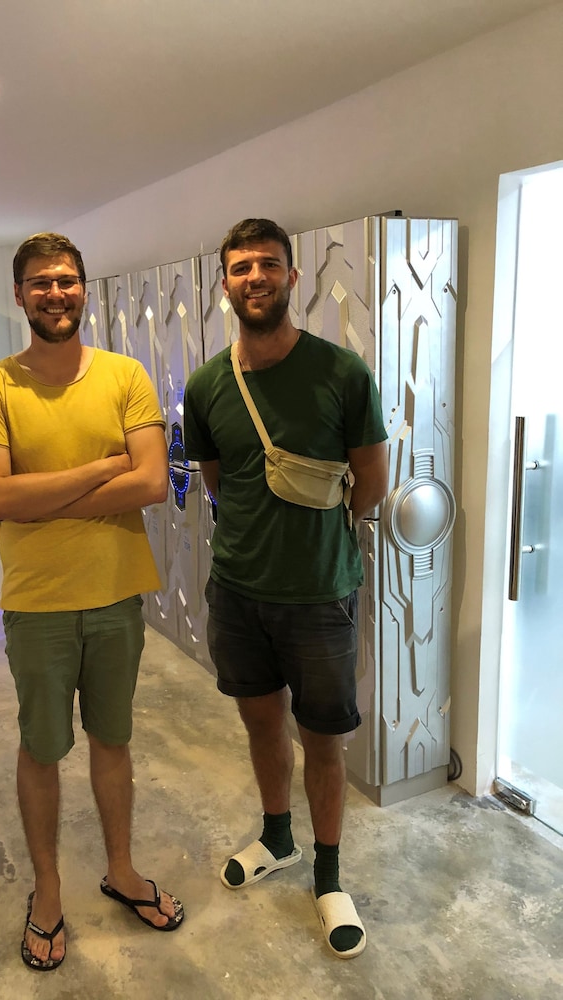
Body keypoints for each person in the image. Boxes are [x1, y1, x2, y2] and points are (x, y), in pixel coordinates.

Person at [0, 232, 185, 973]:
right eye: (40, 282)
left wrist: (43, 497)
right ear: (19, 295)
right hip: (38, 603)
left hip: (117, 595)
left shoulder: (125, 374)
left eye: (66, 280)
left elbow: (151, 483)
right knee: (42, 748)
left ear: (84, 288)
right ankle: (48, 888)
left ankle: (121, 870)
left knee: (113, 742)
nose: (55, 293)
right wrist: (101, 469)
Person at [183, 218, 388, 960]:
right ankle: (278, 839)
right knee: (261, 724)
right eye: (241, 267)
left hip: (320, 594)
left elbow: (371, 483)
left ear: (292, 277)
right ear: (225, 284)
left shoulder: (342, 373)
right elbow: (219, 483)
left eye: (269, 265)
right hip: (238, 591)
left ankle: (328, 877)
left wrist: (314, 543)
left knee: (323, 740)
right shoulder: (207, 385)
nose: (256, 278)